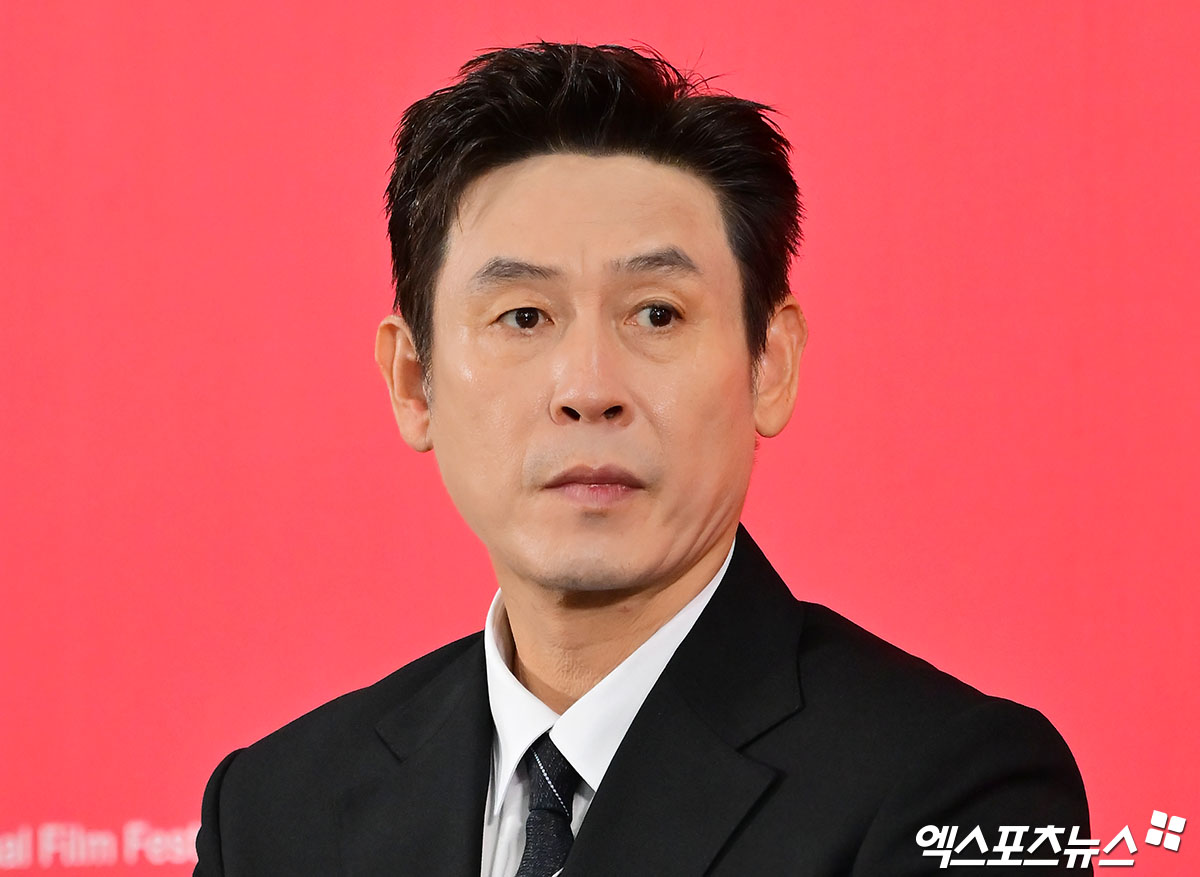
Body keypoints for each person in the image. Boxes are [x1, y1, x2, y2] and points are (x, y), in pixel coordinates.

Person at [193, 42, 1089, 876]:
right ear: (413, 381)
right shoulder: (274, 811)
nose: (589, 388)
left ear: (770, 365)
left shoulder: (963, 787)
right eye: (523, 316)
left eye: (657, 314)